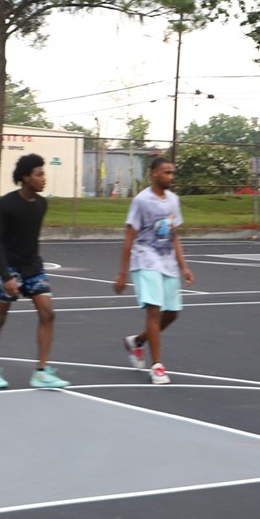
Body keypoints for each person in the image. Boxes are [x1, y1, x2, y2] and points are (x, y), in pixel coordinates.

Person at [0, 154, 70, 390]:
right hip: (8, 265)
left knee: (48, 312)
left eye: (43, 173)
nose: (43, 178)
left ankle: (41, 372)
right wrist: (6, 276)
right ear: (25, 177)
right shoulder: (6, 203)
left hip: (32, 265)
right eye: (38, 174)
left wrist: (32, 267)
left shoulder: (41, 204)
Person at [114, 156, 195, 385]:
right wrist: (122, 272)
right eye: (166, 172)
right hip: (145, 259)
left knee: (172, 313)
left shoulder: (173, 200)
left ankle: (137, 342)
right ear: (154, 174)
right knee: (154, 311)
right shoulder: (141, 201)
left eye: (172, 172)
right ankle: (157, 366)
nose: (170, 176)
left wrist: (184, 266)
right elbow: (129, 238)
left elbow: (174, 235)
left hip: (167, 261)